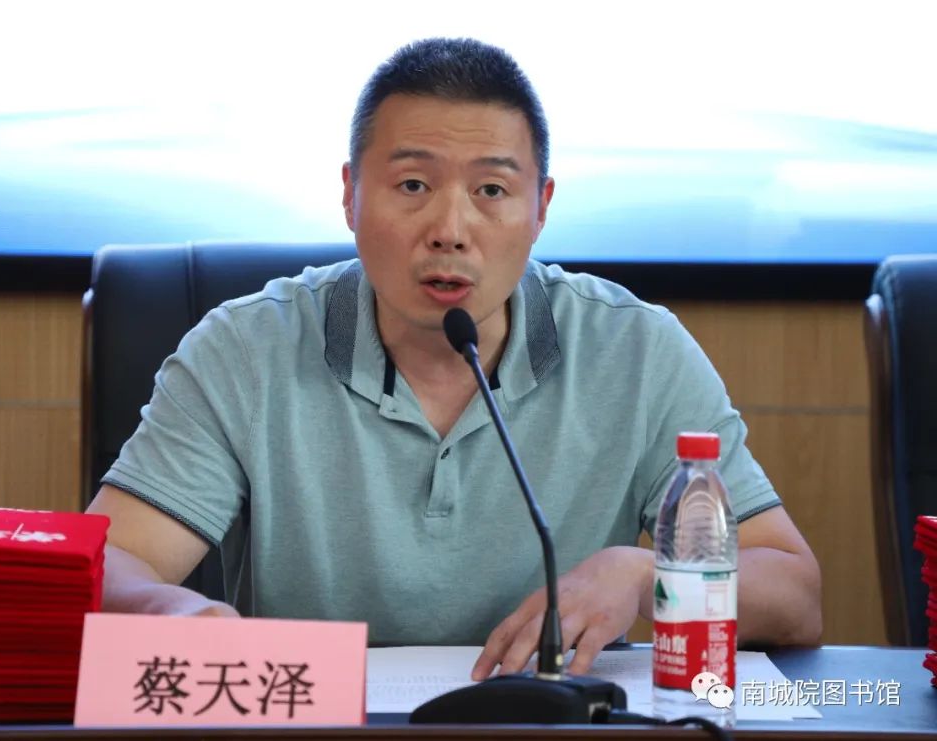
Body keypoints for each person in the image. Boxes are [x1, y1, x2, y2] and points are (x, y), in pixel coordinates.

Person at [86, 37, 822, 679]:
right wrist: (174, 612)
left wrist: (646, 575)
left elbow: (795, 594)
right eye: (413, 185)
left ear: (541, 207)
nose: (450, 228)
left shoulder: (636, 351)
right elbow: (110, 561)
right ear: (350, 195)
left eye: (492, 190)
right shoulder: (246, 350)